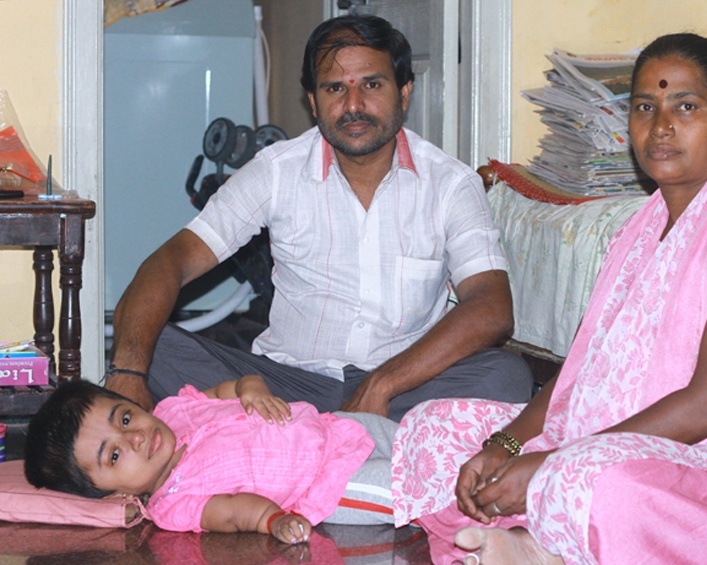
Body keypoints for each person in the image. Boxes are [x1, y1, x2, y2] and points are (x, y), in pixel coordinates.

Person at [389, 33, 707, 564]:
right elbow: (582, 375)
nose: (661, 126)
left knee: (603, 484)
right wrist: (505, 445)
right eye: (645, 107)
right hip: (609, 445)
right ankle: (539, 539)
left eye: (686, 106)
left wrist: (555, 462)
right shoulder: (638, 229)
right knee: (434, 431)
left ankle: (538, 541)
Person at [103, 14, 532, 421]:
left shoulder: (451, 184)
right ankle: (342, 436)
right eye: (334, 89)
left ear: (404, 92)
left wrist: (382, 383)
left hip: (401, 386)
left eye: (372, 84)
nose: (353, 105)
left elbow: (491, 307)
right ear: (313, 101)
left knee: (506, 376)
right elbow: (172, 261)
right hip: (284, 387)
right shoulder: (277, 171)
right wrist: (127, 373)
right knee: (153, 346)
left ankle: (297, 440)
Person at [24, 376, 401, 543]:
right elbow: (234, 511)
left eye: (124, 418)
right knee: (405, 485)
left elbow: (229, 388)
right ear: (114, 494)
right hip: (330, 483)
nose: (135, 436)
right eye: (115, 455)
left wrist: (251, 388)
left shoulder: (174, 410)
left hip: (334, 425)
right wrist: (273, 520)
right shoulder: (173, 503)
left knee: (412, 437)